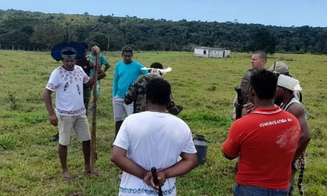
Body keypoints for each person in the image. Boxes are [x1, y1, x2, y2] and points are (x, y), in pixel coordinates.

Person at [111, 78, 198, 196]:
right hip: (164, 191)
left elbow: (116, 156)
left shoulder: (131, 121)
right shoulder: (181, 126)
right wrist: (165, 174)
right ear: (169, 99)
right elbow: (191, 160)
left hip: (131, 191)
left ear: (147, 98)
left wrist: (144, 175)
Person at [222, 70, 301, 196]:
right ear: (275, 91)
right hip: (282, 187)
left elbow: (228, 154)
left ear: (252, 91)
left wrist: (245, 118)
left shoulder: (242, 124)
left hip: (249, 188)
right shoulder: (292, 121)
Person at [43, 48, 97, 179]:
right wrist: (51, 114)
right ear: (62, 60)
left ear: (75, 60)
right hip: (64, 114)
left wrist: (97, 73)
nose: (69, 63)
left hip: (80, 112)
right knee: (64, 142)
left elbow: (88, 82)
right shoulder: (57, 73)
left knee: (87, 140)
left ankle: (87, 167)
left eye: (71, 60)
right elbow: (46, 93)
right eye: (66, 61)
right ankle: (65, 170)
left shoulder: (79, 69)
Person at [275, 74, 311, 195]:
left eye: (276, 88)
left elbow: (305, 136)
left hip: (289, 157)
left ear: (284, 90)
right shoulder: (283, 103)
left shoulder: (295, 107)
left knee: (285, 187)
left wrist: (291, 159)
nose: (273, 91)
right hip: (283, 156)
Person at [112, 46, 146, 137]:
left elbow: (147, 72)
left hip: (130, 97)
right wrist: (114, 95)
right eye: (125, 56)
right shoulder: (118, 65)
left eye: (129, 56)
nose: (127, 58)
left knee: (131, 119)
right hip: (118, 97)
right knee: (118, 119)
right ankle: (117, 139)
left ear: (132, 55)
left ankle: (131, 138)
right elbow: (115, 80)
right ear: (122, 55)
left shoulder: (137, 66)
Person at [233, 51, 267, 119]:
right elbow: (241, 92)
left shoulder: (268, 77)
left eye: (254, 59)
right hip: (243, 109)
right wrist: (235, 109)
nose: (251, 61)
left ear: (263, 61)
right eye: (251, 59)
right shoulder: (248, 74)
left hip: (260, 112)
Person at [85, 45, 110, 110]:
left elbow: (107, 65)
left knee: (96, 92)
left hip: (96, 77)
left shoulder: (101, 57)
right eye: (94, 51)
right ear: (91, 51)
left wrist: (102, 72)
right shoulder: (88, 57)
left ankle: (94, 105)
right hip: (88, 76)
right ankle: (86, 105)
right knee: (87, 92)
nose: (95, 52)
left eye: (97, 51)